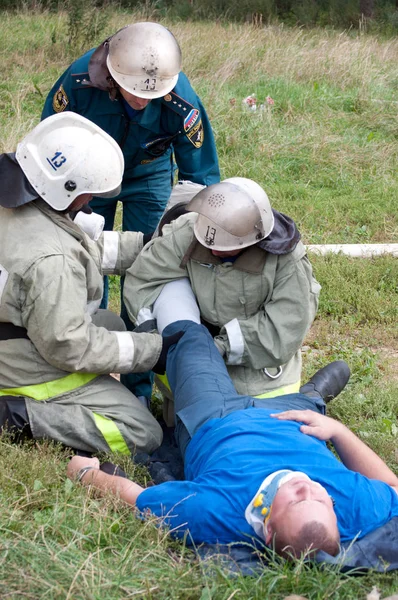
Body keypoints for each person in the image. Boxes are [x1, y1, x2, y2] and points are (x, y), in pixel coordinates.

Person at [67, 282, 398, 558]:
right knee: (309, 408)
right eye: (321, 498)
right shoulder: (354, 507)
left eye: (296, 500)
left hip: (216, 417)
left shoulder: (215, 512)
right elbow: (393, 488)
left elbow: (134, 497)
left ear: (267, 529)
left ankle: (163, 316)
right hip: (293, 419)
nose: (306, 487)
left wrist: (85, 474)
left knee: (191, 341)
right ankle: (315, 395)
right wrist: (340, 433)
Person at [42, 21, 221, 405]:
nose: (143, 100)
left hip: (149, 174)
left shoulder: (180, 100)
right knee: (84, 256)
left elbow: (199, 176)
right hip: (90, 176)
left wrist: (199, 228)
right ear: (113, 75)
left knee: (151, 264)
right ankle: (89, 369)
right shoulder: (77, 83)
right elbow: (50, 142)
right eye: (135, 92)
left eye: (152, 95)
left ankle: (138, 386)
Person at [0, 112, 182, 456]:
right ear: (65, 189)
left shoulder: (19, 203)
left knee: (110, 323)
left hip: (14, 328)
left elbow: (80, 248)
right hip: (22, 365)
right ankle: (21, 414)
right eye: (88, 193)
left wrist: (149, 247)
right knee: (142, 433)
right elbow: (70, 347)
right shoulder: (52, 261)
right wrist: (153, 351)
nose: (90, 201)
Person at [123, 177, 321, 423]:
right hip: (188, 378)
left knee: (253, 437)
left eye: (226, 248)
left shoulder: (287, 261)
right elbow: (145, 279)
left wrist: (215, 348)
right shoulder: (190, 231)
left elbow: (283, 329)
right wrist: (157, 334)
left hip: (262, 383)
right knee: (184, 430)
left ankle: (311, 397)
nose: (215, 251)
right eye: (210, 244)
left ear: (253, 239)